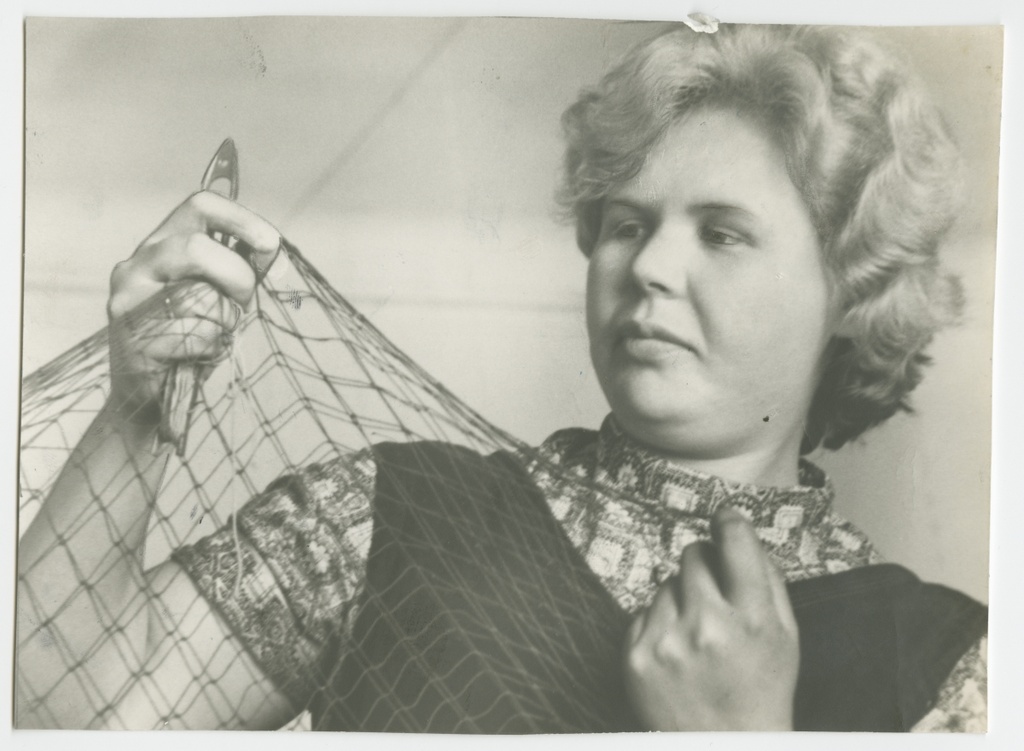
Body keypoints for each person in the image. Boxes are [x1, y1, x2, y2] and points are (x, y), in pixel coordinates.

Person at [15, 23, 986, 732]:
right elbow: (64, 718)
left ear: (851, 292)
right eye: (626, 224)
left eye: (722, 234)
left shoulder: (951, 667)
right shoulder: (386, 514)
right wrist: (136, 409)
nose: (649, 266)